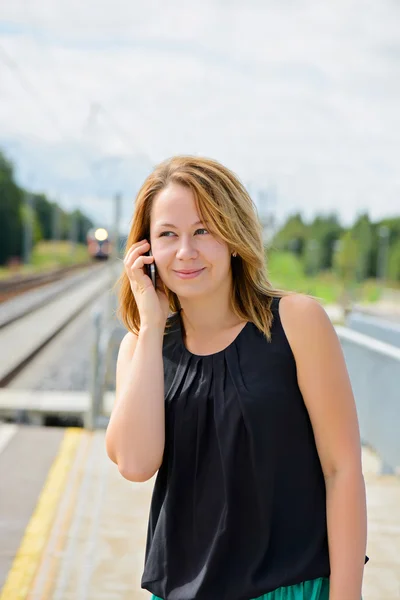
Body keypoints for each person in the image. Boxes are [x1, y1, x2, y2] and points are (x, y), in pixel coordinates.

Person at [105, 156, 368, 600]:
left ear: (233, 235)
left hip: (291, 588)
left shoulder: (297, 323)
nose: (185, 251)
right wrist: (150, 325)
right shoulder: (141, 347)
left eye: (203, 230)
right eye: (168, 234)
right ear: (145, 249)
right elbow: (134, 464)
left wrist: (347, 595)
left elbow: (342, 470)